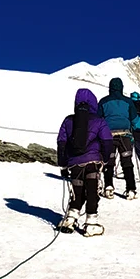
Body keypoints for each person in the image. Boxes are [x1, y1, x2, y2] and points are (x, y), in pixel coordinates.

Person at [56, 88, 112, 236]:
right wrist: (105, 159)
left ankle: (70, 219)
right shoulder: (99, 121)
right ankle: (91, 223)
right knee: (92, 191)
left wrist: (63, 163)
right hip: (93, 162)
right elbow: (107, 141)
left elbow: (61, 142)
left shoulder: (69, 120)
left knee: (77, 191)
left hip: (74, 163)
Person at [97, 77, 139, 200]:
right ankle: (131, 189)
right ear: (121, 88)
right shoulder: (128, 102)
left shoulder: (103, 101)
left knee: (108, 162)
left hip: (108, 135)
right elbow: (135, 120)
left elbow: (98, 119)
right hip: (125, 135)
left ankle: (108, 187)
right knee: (127, 162)